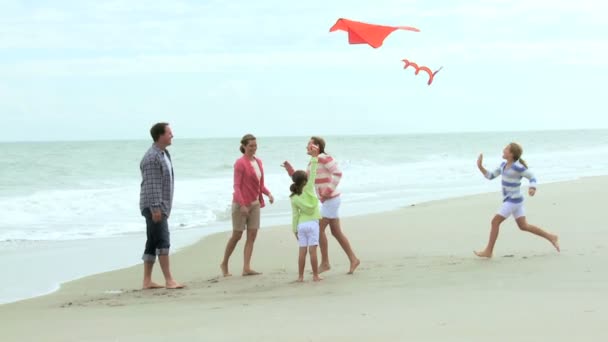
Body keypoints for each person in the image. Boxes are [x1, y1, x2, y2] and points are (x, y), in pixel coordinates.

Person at [282, 136, 360, 274]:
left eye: (309, 144)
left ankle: (325, 263)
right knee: (336, 232)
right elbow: (303, 181)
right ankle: (353, 259)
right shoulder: (312, 163)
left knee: (318, 229)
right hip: (328, 201)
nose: (306, 146)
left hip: (331, 199)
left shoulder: (324, 157)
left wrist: (327, 190)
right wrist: (290, 170)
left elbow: (338, 173)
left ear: (316, 146)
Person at [475, 142, 560, 258]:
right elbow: (490, 176)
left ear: (511, 154)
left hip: (513, 201)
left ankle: (488, 251)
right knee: (523, 226)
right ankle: (551, 237)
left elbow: (532, 177)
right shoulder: (503, 165)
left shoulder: (517, 167)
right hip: (515, 200)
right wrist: (480, 167)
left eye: (506, 149)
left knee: (495, 222)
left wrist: (532, 188)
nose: (503, 150)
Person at [221, 134, 274, 277]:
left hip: (255, 204)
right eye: (251, 146)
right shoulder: (240, 163)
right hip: (240, 204)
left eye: (255, 145)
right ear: (244, 146)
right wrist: (243, 205)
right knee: (237, 235)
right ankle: (224, 263)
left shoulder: (259, 162)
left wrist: (268, 194)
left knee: (252, 235)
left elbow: (260, 184)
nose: (253, 148)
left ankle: (246, 267)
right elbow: (236, 186)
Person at [139, 122, 184, 289]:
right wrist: (156, 208)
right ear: (160, 135)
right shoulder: (152, 157)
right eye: (169, 133)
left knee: (152, 241)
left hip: (160, 205)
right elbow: (152, 185)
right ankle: (169, 280)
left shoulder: (164, 154)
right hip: (154, 207)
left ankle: (147, 281)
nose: (172, 135)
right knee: (163, 240)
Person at [290, 144, 322, 282]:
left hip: (301, 225)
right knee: (313, 251)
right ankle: (315, 275)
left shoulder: (294, 197)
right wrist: (315, 158)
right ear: (305, 181)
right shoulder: (309, 188)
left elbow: (295, 215)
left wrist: (294, 230)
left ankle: (300, 277)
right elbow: (313, 172)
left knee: (302, 251)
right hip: (313, 223)